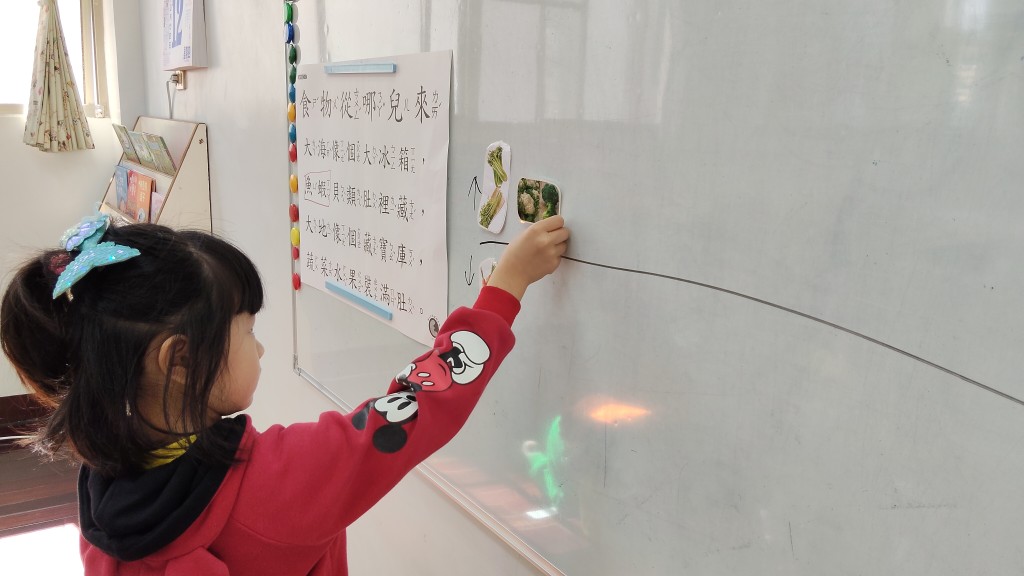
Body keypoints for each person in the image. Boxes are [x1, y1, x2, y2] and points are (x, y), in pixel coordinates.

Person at [0, 212, 570, 575]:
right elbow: (421, 405)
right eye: (248, 331)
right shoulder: (278, 481)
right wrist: (505, 288)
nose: (261, 348)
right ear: (181, 361)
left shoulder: (102, 481)